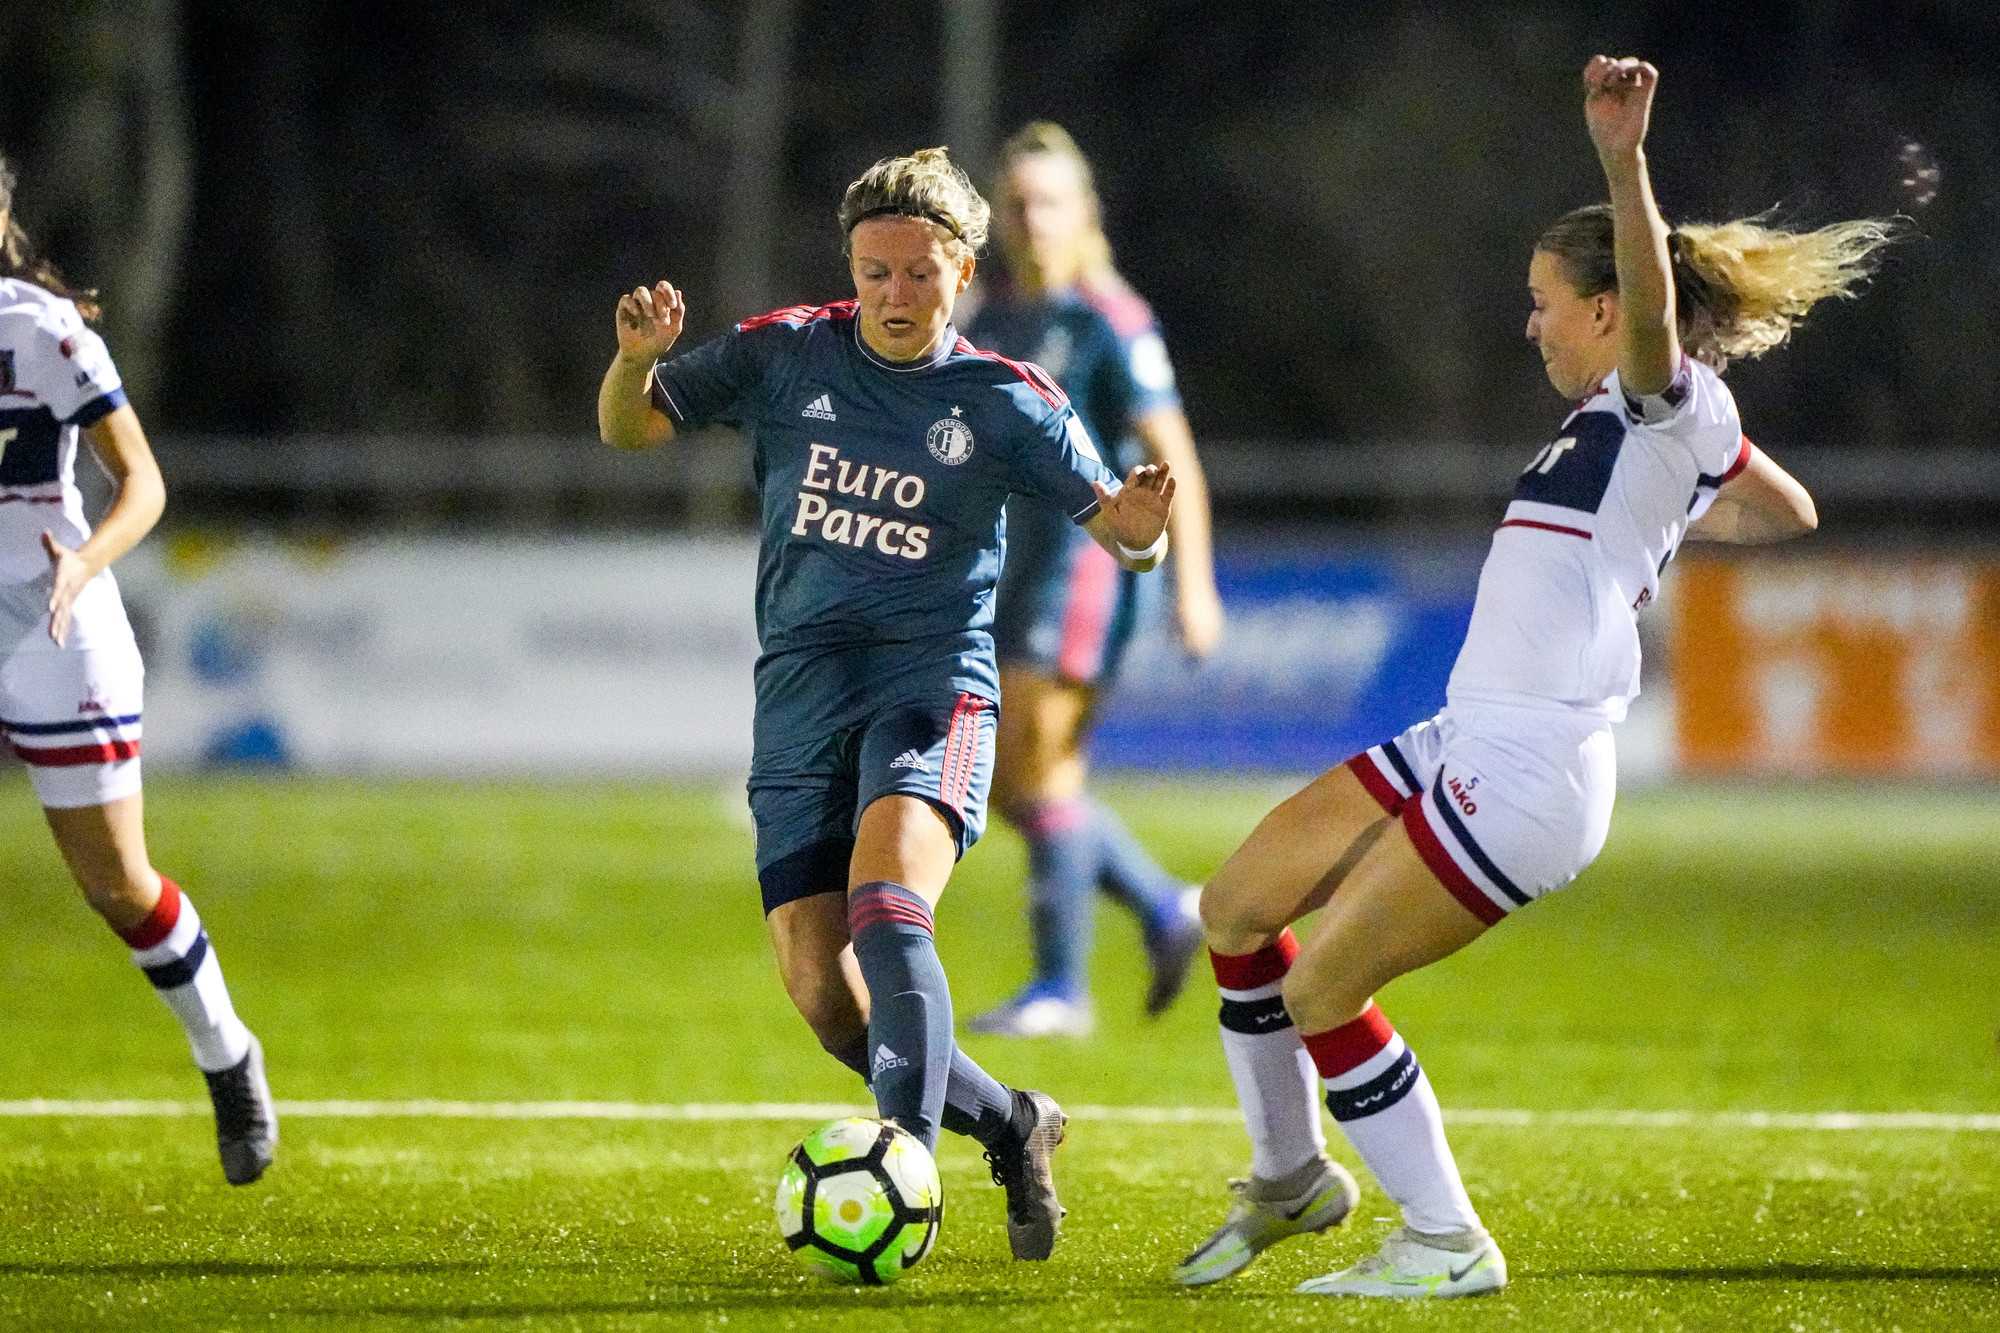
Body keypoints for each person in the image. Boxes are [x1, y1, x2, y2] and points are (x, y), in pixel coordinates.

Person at [1171, 57, 1901, 1298]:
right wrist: (1668, 518)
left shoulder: (1655, 393)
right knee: (1235, 907)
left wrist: (1623, 164)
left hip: (1531, 767)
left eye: (1543, 300)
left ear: (1611, 309)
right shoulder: (1646, 427)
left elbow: (1675, 358)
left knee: (1322, 982)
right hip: (1464, 733)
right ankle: (1291, 1179)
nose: (1530, 321)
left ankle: (1447, 1241)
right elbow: (1784, 511)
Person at [595, 147, 1174, 1261]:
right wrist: (633, 364)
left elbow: (1117, 527)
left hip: (932, 690)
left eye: (919, 274)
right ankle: (1011, 1122)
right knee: (824, 996)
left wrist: (1141, 536)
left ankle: (902, 1161)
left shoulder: (1005, 400)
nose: (895, 297)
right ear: (850, 270)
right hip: (801, 698)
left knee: (887, 903)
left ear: (961, 272)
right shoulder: (782, 355)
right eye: (875, 273)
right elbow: (632, 426)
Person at [0, 156, 276, 1184]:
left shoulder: (41, 328)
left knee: (116, 882)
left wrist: (82, 559)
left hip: (50, 619)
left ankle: (225, 1052)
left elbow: (144, 480)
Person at [963, 122, 1223, 1039]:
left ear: (1084, 213)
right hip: (1012, 574)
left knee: (1041, 770)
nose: (1033, 219)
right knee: (1004, 782)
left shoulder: (1112, 319)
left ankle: (1060, 992)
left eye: (1051, 202)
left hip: (1087, 574)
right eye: (1019, 202)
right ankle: (1162, 908)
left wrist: (1196, 586)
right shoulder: (991, 316)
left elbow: (1171, 454)